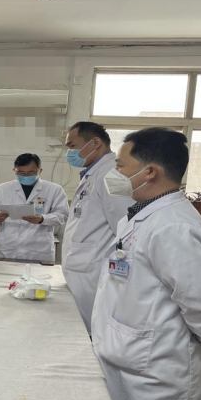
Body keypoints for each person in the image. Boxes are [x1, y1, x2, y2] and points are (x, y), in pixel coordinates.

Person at [91, 127, 201, 400]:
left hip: (161, 372)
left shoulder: (174, 225)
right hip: (134, 363)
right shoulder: (143, 216)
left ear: (149, 171)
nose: (115, 174)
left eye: (120, 166)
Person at [61, 122, 134, 335]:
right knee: (79, 330)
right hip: (82, 269)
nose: (69, 153)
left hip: (93, 272)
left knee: (89, 334)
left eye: (72, 146)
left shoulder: (112, 176)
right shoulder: (94, 174)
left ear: (95, 143)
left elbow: (126, 229)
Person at [0, 154, 68, 263]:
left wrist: (42, 219)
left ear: (40, 170)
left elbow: (62, 215)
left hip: (38, 250)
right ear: (14, 170)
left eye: (31, 173)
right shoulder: (1, 189)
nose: (26, 176)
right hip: (5, 248)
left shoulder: (54, 190)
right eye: (21, 173)